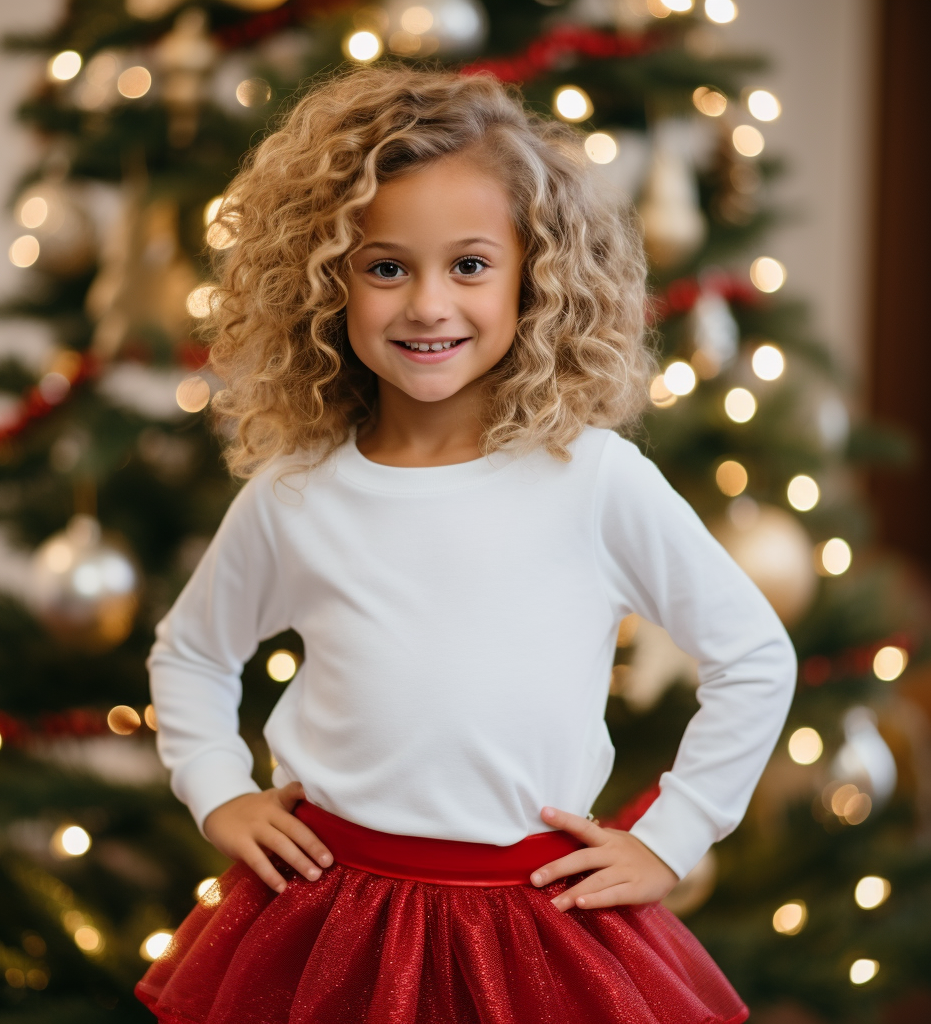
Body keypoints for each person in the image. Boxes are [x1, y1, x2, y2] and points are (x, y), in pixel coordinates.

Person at [135, 65, 796, 1024]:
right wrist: (219, 792)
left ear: (537, 278)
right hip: (329, 917)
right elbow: (190, 653)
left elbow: (754, 655)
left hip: (537, 922)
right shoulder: (295, 493)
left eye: (471, 265)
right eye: (387, 266)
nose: (428, 305)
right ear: (329, 280)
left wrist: (673, 836)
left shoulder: (594, 478)